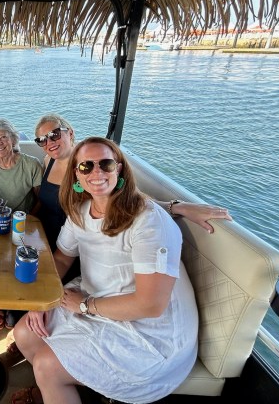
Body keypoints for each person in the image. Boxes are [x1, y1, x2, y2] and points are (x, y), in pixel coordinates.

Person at [11, 137, 199, 404]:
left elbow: (151, 305)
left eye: (106, 164)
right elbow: (62, 259)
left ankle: (55, 381)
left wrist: (86, 306)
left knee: (45, 364)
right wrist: (40, 301)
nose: (96, 172)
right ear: (76, 174)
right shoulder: (81, 210)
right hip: (94, 296)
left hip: (149, 333)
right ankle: (67, 387)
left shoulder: (148, 221)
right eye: (86, 166)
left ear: (119, 169)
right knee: (24, 334)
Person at [34, 113, 233, 251]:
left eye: (54, 134)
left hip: (79, 244)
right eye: (42, 140)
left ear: (69, 132)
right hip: (44, 237)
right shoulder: (48, 160)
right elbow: (45, 200)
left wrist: (178, 207)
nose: (49, 142)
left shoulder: (91, 168)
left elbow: (130, 198)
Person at [0, 118, 43, 330]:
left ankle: (18, 305)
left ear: (14, 139)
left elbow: (40, 200)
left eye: (3, 137)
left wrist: (25, 223)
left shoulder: (31, 164)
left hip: (26, 223)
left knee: (23, 267)